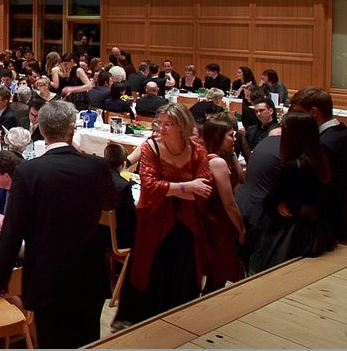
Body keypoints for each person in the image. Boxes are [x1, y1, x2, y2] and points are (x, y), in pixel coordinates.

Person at [0, 100, 117, 348]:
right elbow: (110, 202)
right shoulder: (96, 166)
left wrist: (1, 275)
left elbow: (13, 229)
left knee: (51, 340)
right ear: (72, 128)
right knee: (88, 339)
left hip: (47, 274)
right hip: (89, 272)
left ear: (42, 130)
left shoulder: (28, 171)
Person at [115, 103, 213, 327]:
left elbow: (205, 191)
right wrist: (189, 186)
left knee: (182, 270)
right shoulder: (151, 147)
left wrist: (169, 188)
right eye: (159, 123)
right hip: (155, 219)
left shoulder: (197, 151)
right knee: (151, 268)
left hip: (187, 221)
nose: (161, 128)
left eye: (168, 124)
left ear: (182, 126)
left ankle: (178, 323)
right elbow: (150, 187)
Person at [247, 111, 336, 274]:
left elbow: (270, 202)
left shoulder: (294, 166)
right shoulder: (320, 159)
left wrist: (281, 204)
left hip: (291, 233)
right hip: (316, 230)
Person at [289, 87, 347, 242]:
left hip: (334, 228)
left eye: (299, 113)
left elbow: (328, 192)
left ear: (314, 112)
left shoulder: (322, 145)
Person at [199, 118, 246, 293]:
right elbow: (229, 203)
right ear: (218, 137)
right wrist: (241, 229)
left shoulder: (216, 156)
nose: (235, 139)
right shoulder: (217, 162)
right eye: (231, 135)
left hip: (213, 219)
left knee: (215, 273)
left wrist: (232, 153)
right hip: (218, 221)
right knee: (218, 273)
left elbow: (240, 178)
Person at [104, 144, 136, 249]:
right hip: (118, 239)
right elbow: (132, 218)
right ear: (124, 164)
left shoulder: (95, 177)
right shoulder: (123, 186)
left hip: (96, 232)